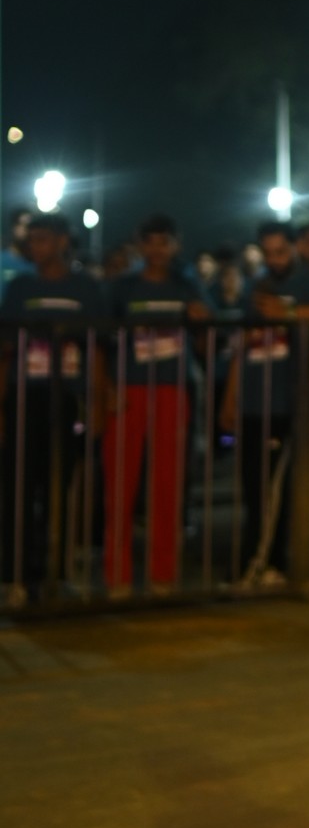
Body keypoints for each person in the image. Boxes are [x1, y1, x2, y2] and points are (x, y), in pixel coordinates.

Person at [226, 220, 309, 585]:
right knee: (255, 488)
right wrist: (230, 397)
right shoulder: (257, 286)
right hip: (253, 401)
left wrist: (291, 314)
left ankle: (262, 562)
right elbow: (242, 345)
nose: (274, 260)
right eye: (268, 253)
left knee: (274, 488)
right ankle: (265, 562)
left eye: (280, 252)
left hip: (286, 403)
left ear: (295, 248)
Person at [101, 214, 209, 595]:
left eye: (164, 242)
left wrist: (202, 319)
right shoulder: (122, 287)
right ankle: (117, 574)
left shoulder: (187, 285)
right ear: (139, 245)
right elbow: (102, 341)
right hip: (128, 390)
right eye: (150, 242)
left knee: (168, 482)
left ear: (176, 245)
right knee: (120, 482)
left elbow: (207, 339)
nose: (157, 250)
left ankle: (163, 571)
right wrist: (107, 388)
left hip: (172, 389)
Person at [0, 213, 105, 601]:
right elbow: (5, 351)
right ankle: (16, 575)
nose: (35, 246)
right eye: (31, 239)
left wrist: (98, 401)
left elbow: (98, 349)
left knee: (60, 485)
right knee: (19, 487)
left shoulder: (86, 288)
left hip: (67, 399)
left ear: (62, 241)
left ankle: (56, 572)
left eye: (42, 238)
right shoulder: (20, 287)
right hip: (25, 396)